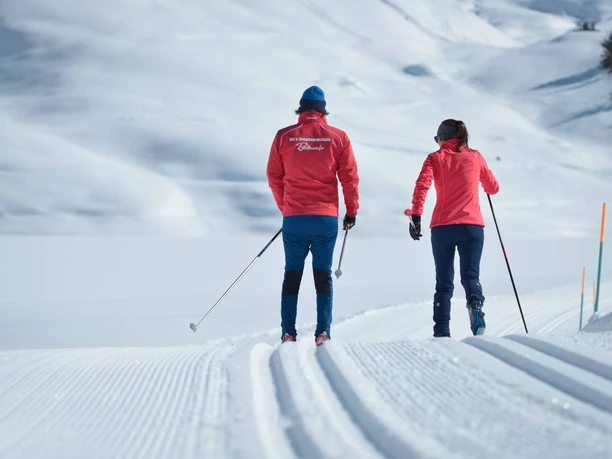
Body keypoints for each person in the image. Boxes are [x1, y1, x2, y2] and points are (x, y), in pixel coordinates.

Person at [267, 86, 359, 346]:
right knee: (323, 274)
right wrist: (351, 211)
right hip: (325, 218)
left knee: (292, 274)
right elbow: (349, 178)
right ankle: (322, 332)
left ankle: (288, 333)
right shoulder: (338, 137)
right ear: (323, 111)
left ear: (301, 109)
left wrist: (285, 208)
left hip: (294, 218)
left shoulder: (284, 136)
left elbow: (274, 176)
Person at [405, 119, 499, 337]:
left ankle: (441, 332)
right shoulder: (475, 156)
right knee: (470, 276)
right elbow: (493, 188)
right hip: (472, 227)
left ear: (443, 138)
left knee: (444, 283)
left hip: (442, 228)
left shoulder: (435, 158)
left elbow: (422, 185)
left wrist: (416, 215)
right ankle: (475, 305)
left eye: (438, 139)